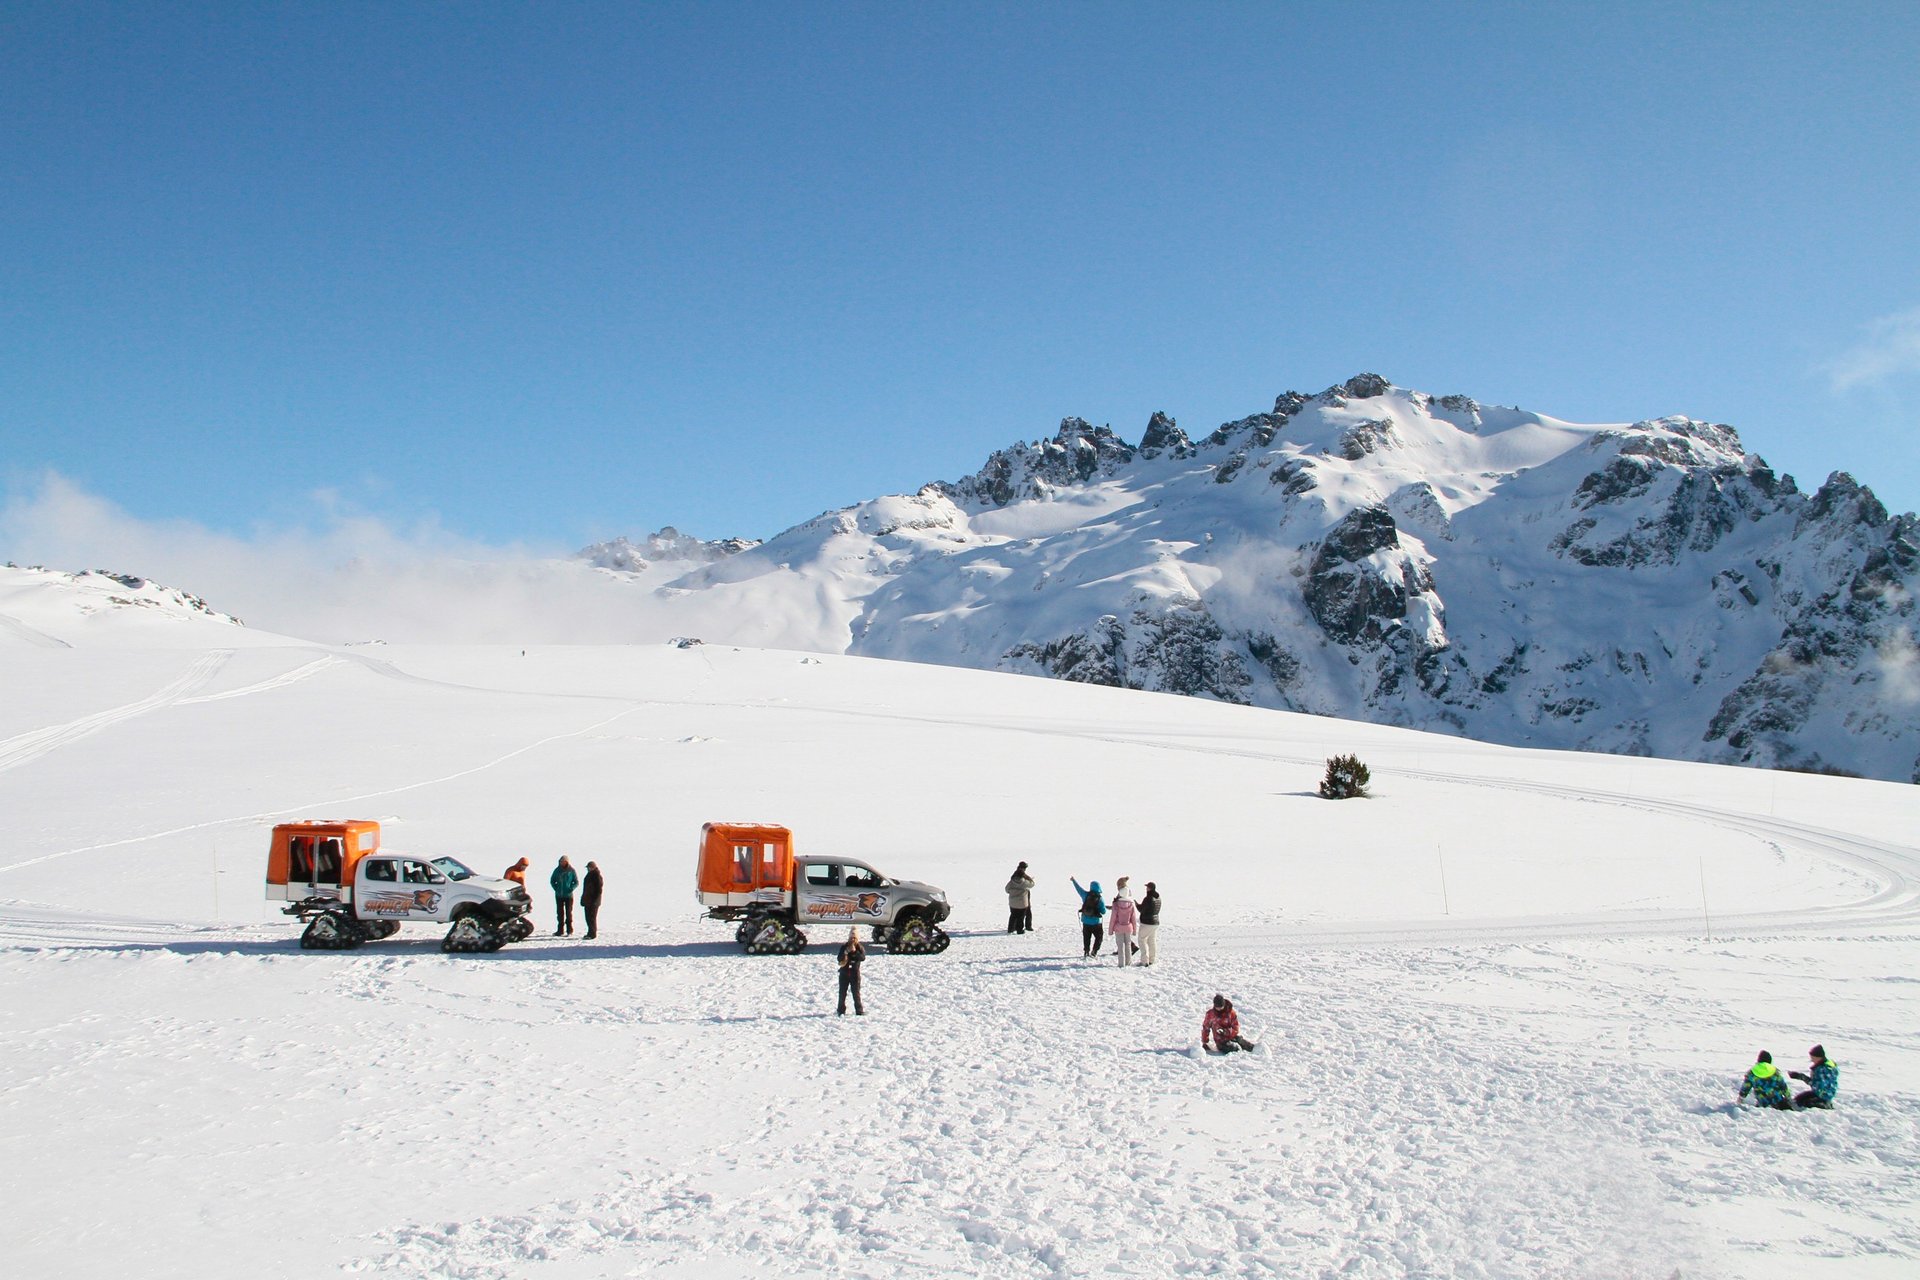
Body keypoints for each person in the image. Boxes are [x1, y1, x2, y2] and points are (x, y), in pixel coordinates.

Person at [1789, 1044, 1839, 1110]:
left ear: (1818, 1057)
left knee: (1806, 1103)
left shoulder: (1822, 1069)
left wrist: (1801, 1077)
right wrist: (1800, 1076)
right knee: (1799, 1099)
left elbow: (1817, 1085)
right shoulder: (1825, 1065)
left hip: (1823, 1095)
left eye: (1812, 1057)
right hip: (1821, 1093)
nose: (1812, 1060)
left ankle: (1824, 1104)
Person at [1070, 877, 1106, 959]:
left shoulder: (1085, 895)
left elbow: (1078, 889)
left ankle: (1086, 951)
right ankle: (1094, 952)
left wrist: (1073, 881)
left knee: (1086, 938)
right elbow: (1103, 911)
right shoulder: (1100, 898)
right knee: (1099, 937)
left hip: (1085, 921)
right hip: (1096, 923)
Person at [1108, 877, 1138, 967]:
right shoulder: (1131, 904)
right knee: (1128, 945)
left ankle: (1121, 964)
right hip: (1128, 927)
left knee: (1120, 946)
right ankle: (1128, 962)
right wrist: (1134, 930)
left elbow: (1113, 918)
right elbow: (1133, 918)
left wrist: (1110, 930)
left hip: (1118, 928)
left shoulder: (1116, 904)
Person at [837, 926, 866, 1015]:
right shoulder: (844, 947)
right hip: (844, 973)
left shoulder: (859, 947)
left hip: (854, 973)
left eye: (854, 938)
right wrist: (846, 952)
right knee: (842, 993)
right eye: (851, 938)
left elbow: (862, 958)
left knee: (856, 993)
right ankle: (841, 1010)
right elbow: (839, 958)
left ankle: (859, 1010)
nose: (852, 940)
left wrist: (854, 952)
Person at [550, 856, 579, 937]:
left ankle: (569, 930)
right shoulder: (557, 870)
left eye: (563, 861)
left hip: (568, 896)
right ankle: (560, 930)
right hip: (559, 895)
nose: (561, 863)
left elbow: (576, 882)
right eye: (560, 861)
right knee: (560, 913)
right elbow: (552, 881)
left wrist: (571, 888)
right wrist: (556, 888)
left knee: (568, 912)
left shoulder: (571, 870)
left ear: (566, 862)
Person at [1005, 861, 1035, 934]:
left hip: (1013, 902)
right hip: (1022, 903)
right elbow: (1032, 884)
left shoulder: (1012, 881)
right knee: (1021, 917)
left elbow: (1006, 889)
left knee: (1013, 915)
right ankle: (1020, 930)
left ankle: (1011, 928)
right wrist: (1028, 878)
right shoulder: (1024, 882)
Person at [1138, 882, 1162, 966]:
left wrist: (1137, 905)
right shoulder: (1158, 898)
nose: (1146, 889)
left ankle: (1145, 961)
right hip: (1155, 922)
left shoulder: (1148, 898)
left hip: (1147, 922)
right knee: (1152, 941)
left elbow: (1141, 909)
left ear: (1150, 888)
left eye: (1147, 887)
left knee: (1142, 940)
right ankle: (1152, 959)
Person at [580, 860, 604, 940]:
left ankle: (592, 934)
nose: (588, 869)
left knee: (591, 918)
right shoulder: (589, 875)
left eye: (589, 867)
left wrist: (594, 900)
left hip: (593, 902)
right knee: (588, 917)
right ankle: (590, 932)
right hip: (588, 900)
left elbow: (599, 890)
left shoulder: (596, 875)